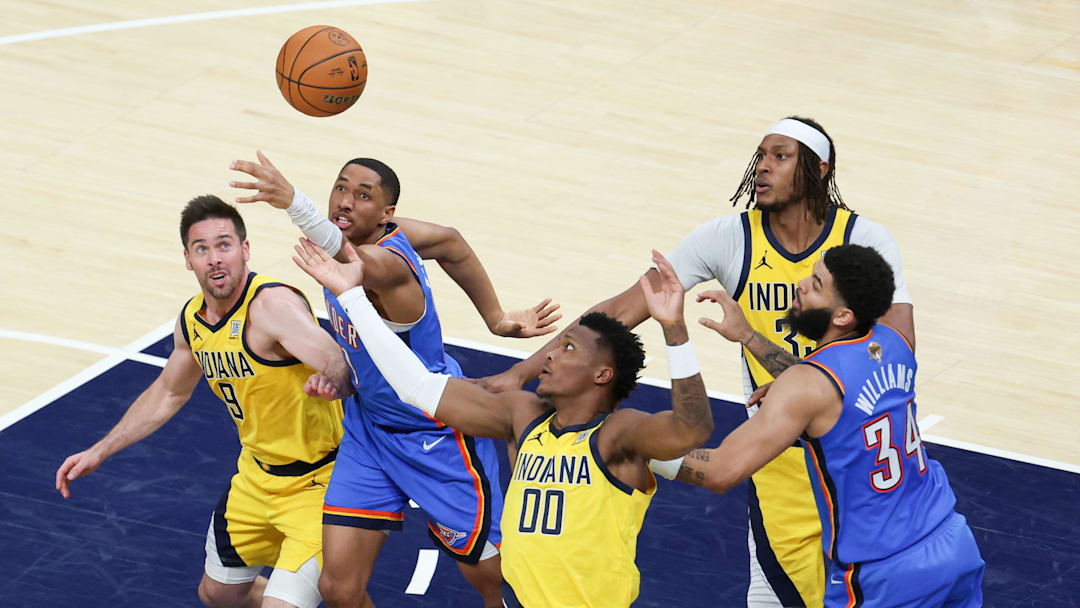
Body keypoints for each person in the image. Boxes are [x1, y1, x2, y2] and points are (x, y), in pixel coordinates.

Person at [484, 116, 914, 607]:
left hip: (852, 456)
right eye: (760, 156)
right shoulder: (728, 239)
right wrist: (522, 370)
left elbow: (893, 355)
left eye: (779, 156)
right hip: (772, 456)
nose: (763, 168)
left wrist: (769, 360)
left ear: (818, 169)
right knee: (772, 593)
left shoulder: (862, 243)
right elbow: (621, 310)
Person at [294, 239, 714, 607]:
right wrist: (352, 298)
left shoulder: (616, 435)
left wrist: (674, 329)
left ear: (601, 374)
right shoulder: (522, 416)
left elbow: (691, 430)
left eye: (567, 348)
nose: (548, 354)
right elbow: (415, 385)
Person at [228, 154, 558, 608]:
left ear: (386, 213)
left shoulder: (387, 266)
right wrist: (496, 317)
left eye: (364, 196)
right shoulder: (387, 232)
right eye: (341, 187)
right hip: (370, 432)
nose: (345, 201)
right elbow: (451, 242)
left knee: (496, 576)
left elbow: (345, 255)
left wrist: (292, 202)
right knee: (338, 589)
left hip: (436, 431)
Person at [55, 196, 351, 608]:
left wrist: (333, 380)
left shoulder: (272, 308)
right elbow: (168, 392)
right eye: (202, 249)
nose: (215, 259)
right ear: (188, 259)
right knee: (218, 596)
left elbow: (341, 363)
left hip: (320, 483)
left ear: (245, 250)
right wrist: (99, 450)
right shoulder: (192, 321)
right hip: (255, 479)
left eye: (224, 245)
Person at [663, 244, 984, 607]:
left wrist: (634, 450)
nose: (800, 284)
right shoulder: (895, 340)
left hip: (885, 576)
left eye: (816, 283)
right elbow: (835, 387)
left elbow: (721, 471)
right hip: (952, 542)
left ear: (844, 315)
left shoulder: (806, 386)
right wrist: (749, 336)